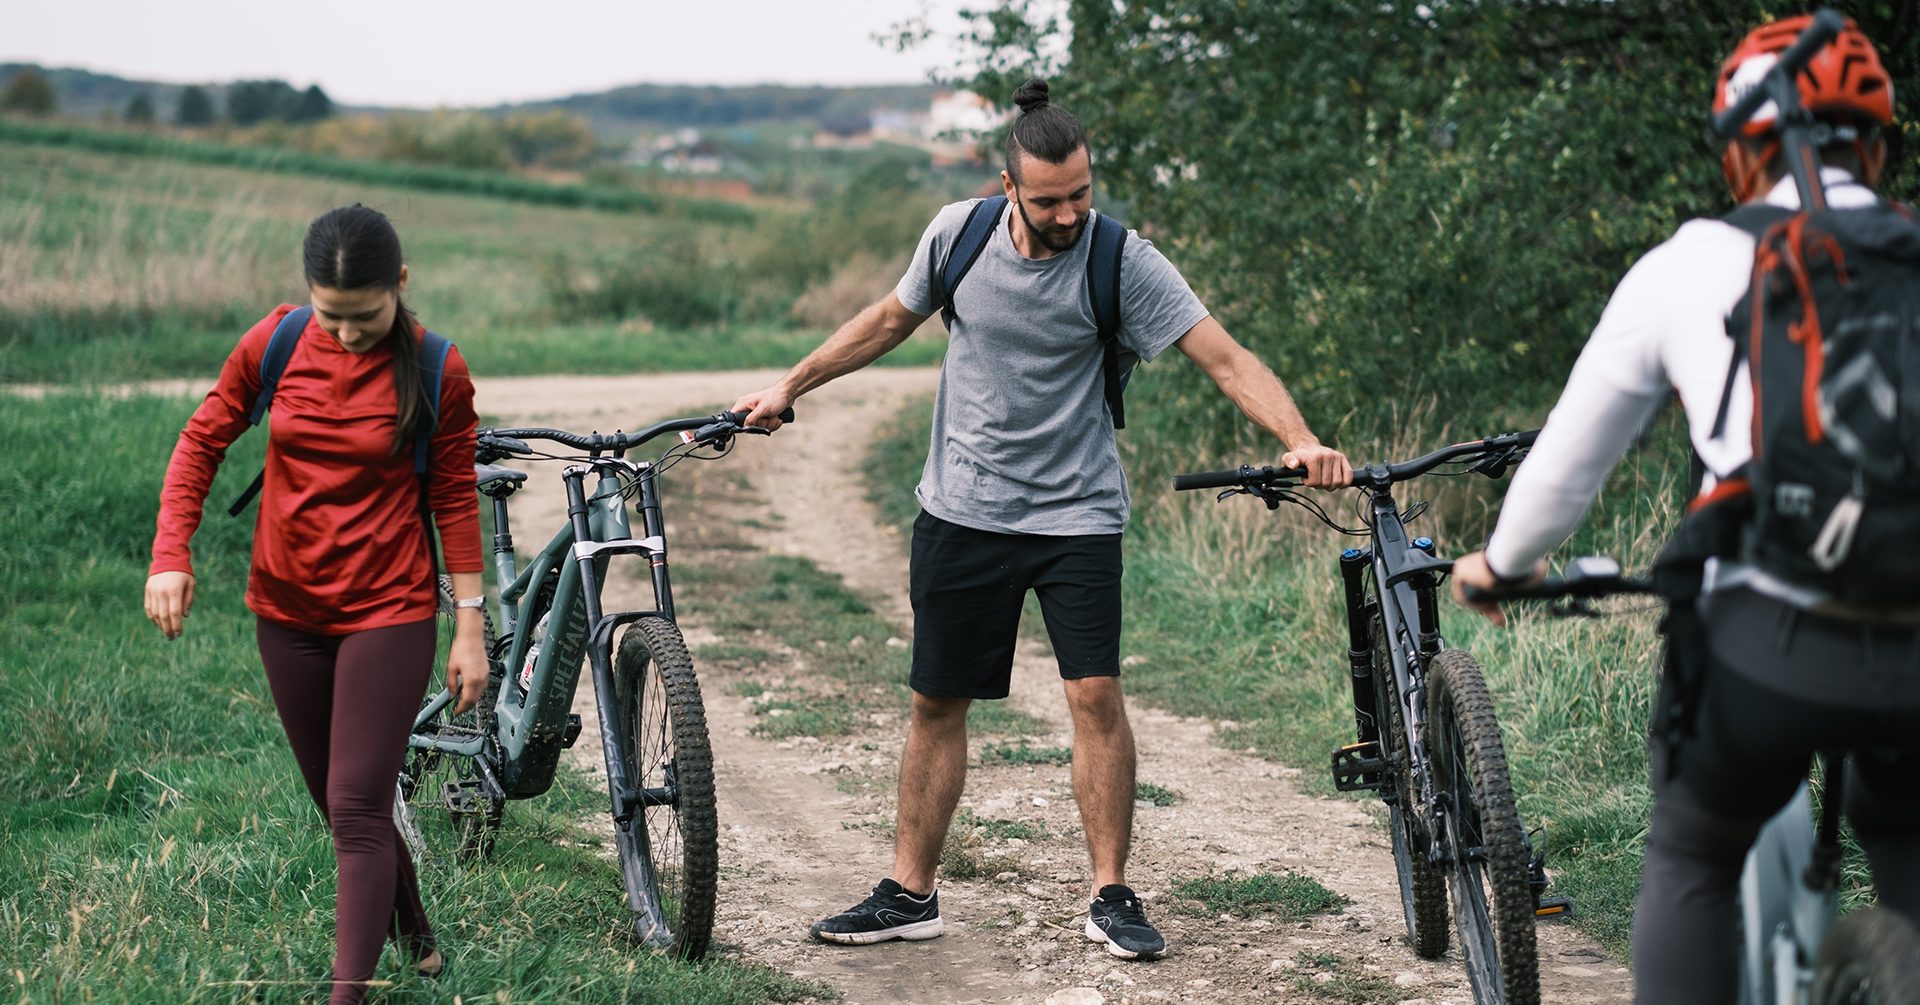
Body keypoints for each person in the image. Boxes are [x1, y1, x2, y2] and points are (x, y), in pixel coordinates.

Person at [733, 78, 1351, 960]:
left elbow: (1223, 356)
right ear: (1009, 184)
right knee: (937, 699)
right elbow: (885, 321)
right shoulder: (958, 234)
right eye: (1050, 199)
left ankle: (1111, 893)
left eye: (1082, 195)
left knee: (1096, 695)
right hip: (963, 509)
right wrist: (790, 384)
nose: (1069, 215)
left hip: (1077, 515)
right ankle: (911, 892)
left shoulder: (1122, 261)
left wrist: (1299, 436)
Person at [1450, 17, 1920, 1003]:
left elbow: (1565, 468)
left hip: (1764, 646)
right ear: (1874, 148)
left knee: (1697, 853)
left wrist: (1502, 563)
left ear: (1744, 155)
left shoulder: (1689, 263)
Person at [145, 204, 487, 1004]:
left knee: (357, 806)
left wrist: (468, 625)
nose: (346, 334)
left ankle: (347, 995)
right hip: (287, 609)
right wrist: (170, 552)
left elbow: (455, 503)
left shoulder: (439, 368)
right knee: (343, 809)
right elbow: (202, 439)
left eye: (364, 316)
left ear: (399, 286)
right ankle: (420, 942)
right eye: (330, 316)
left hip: (389, 607)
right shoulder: (275, 343)